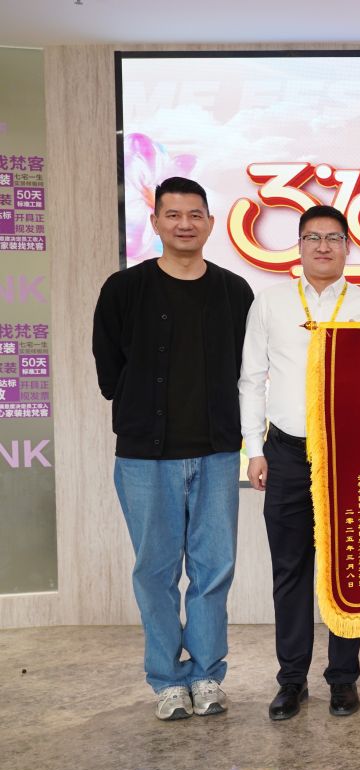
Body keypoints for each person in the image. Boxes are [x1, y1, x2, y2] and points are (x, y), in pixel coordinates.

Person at [92, 177, 254, 721]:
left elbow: (247, 370)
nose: (185, 223)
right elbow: (108, 368)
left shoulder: (235, 292)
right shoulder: (124, 288)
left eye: (195, 214)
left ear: (210, 222)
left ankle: (206, 675)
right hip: (144, 457)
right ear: (156, 221)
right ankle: (166, 679)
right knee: (155, 572)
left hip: (216, 454)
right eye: (173, 214)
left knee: (213, 569)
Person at [239, 204, 360, 720]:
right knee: (290, 569)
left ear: (349, 246)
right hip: (286, 452)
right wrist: (254, 449)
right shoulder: (271, 302)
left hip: (352, 455)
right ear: (300, 245)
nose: (323, 246)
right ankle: (291, 681)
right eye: (312, 237)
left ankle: (343, 680)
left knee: (348, 568)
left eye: (333, 238)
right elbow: (251, 379)